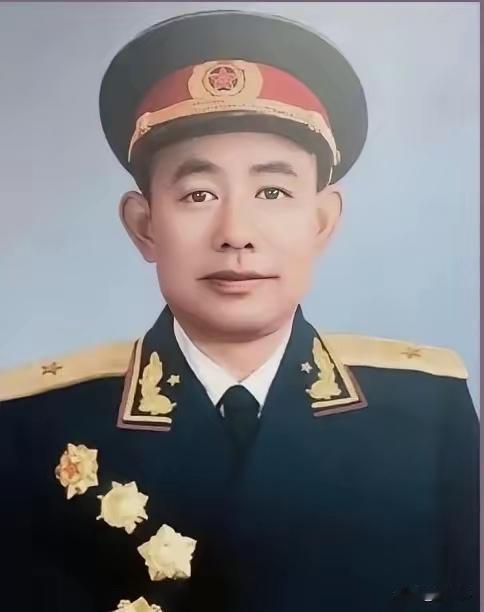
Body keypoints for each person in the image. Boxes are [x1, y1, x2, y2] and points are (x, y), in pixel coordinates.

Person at [0, 9, 478, 612]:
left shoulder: (426, 414)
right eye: (198, 194)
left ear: (322, 222)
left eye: (272, 192)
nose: (236, 233)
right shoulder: (32, 426)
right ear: (144, 226)